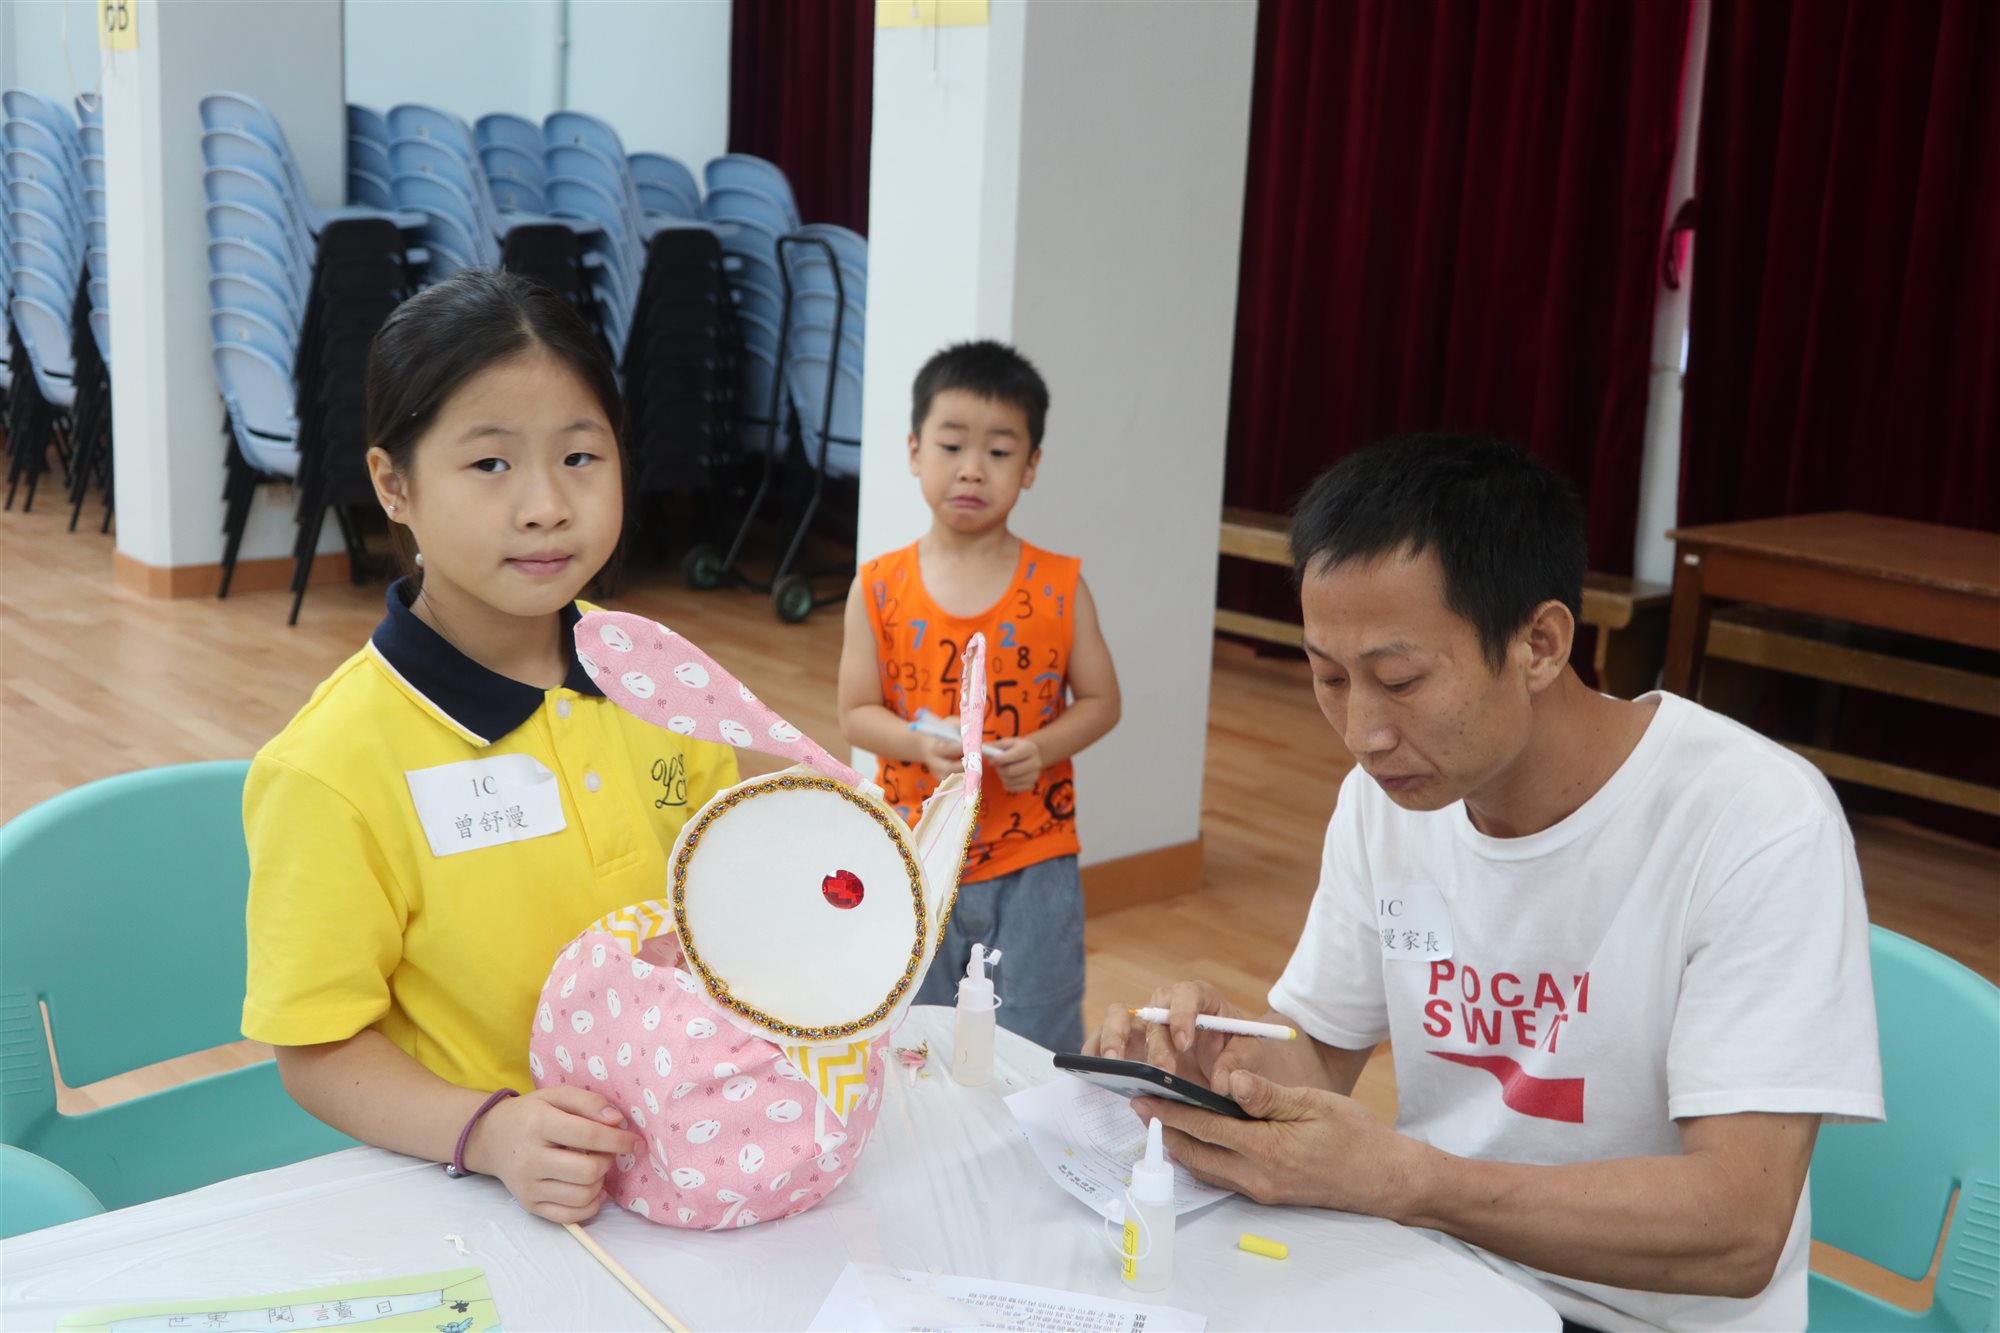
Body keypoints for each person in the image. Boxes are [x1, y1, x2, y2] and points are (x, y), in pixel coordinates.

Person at [1087, 433, 1881, 1330]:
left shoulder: (1755, 820)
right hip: (1436, 1276)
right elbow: (1319, 1057)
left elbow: (1739, 1228)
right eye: (1330, 677)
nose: (1362, 731)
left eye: (1399, 679)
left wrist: (1414, 1183)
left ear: (1539, 644)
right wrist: (1221, 1062)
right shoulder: (1386, 801)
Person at [242, 271, 738, 1223]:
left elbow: (720, 895)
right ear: (394, 484)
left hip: (693, 1159)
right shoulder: (329, 768)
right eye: (491, 464)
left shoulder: (662, 678)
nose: (546, 505)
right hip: (481, 1197)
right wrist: (490, 1131)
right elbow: (315, 1049)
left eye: (580, 456)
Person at [838, 340, 1121, 1053]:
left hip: (1035, 858)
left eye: (998, 451)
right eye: (951, 445)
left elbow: (1101, 700)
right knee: (916, 1036)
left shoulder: (1060, 586)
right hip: (915, 851)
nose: (972, 468)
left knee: (1037, 1031)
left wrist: (1042, 748)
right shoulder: (878, 586)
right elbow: (856, 712)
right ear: (914, 451)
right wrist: (917, 744)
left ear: (1031, 467)